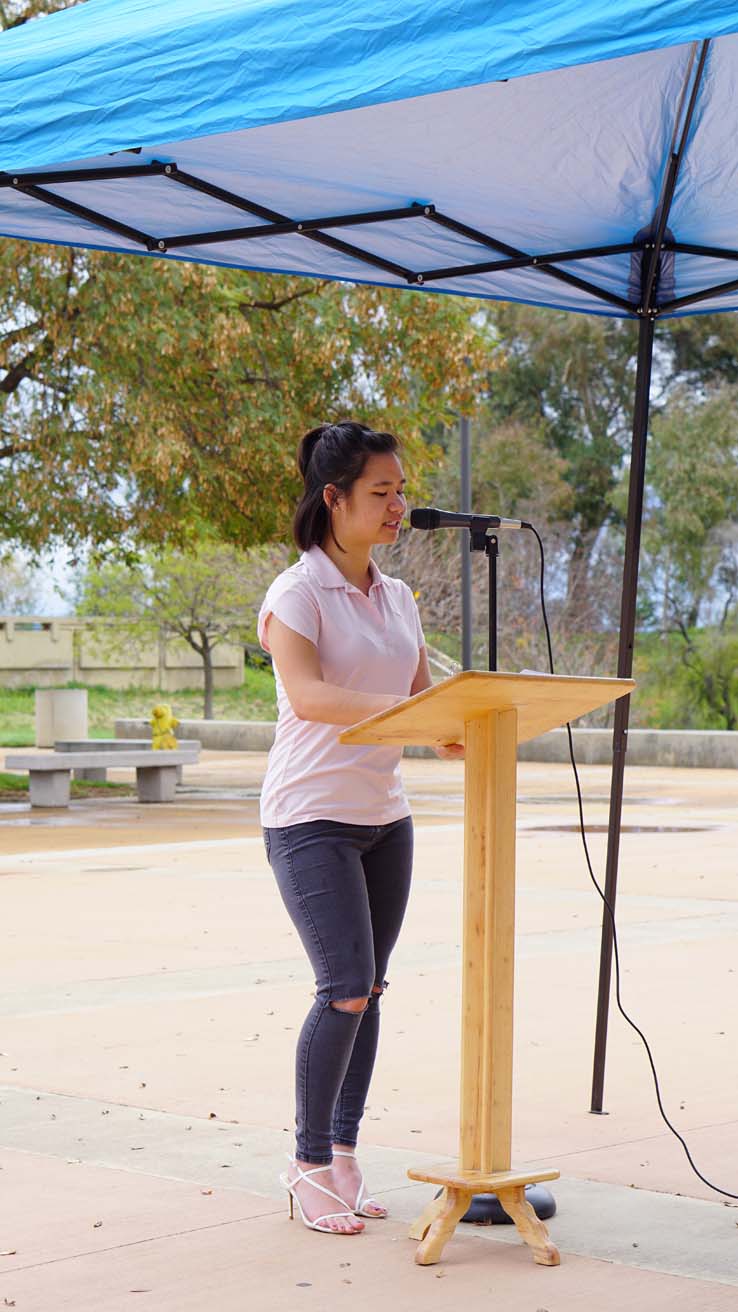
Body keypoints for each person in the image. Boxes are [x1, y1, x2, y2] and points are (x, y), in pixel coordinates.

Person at [258, 419, 463, 1236]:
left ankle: (344, 1154)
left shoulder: (401, 597)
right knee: (342, 987)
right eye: (382, 493)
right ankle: (306, 1165)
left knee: (370, 991)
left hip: (386, 818)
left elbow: (423, 701)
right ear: (333, 498)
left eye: (401, 491)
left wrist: (462, 725)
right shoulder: (296, 593)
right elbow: (310, 698)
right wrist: (418, 714)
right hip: (310, 818)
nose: (398, 505)